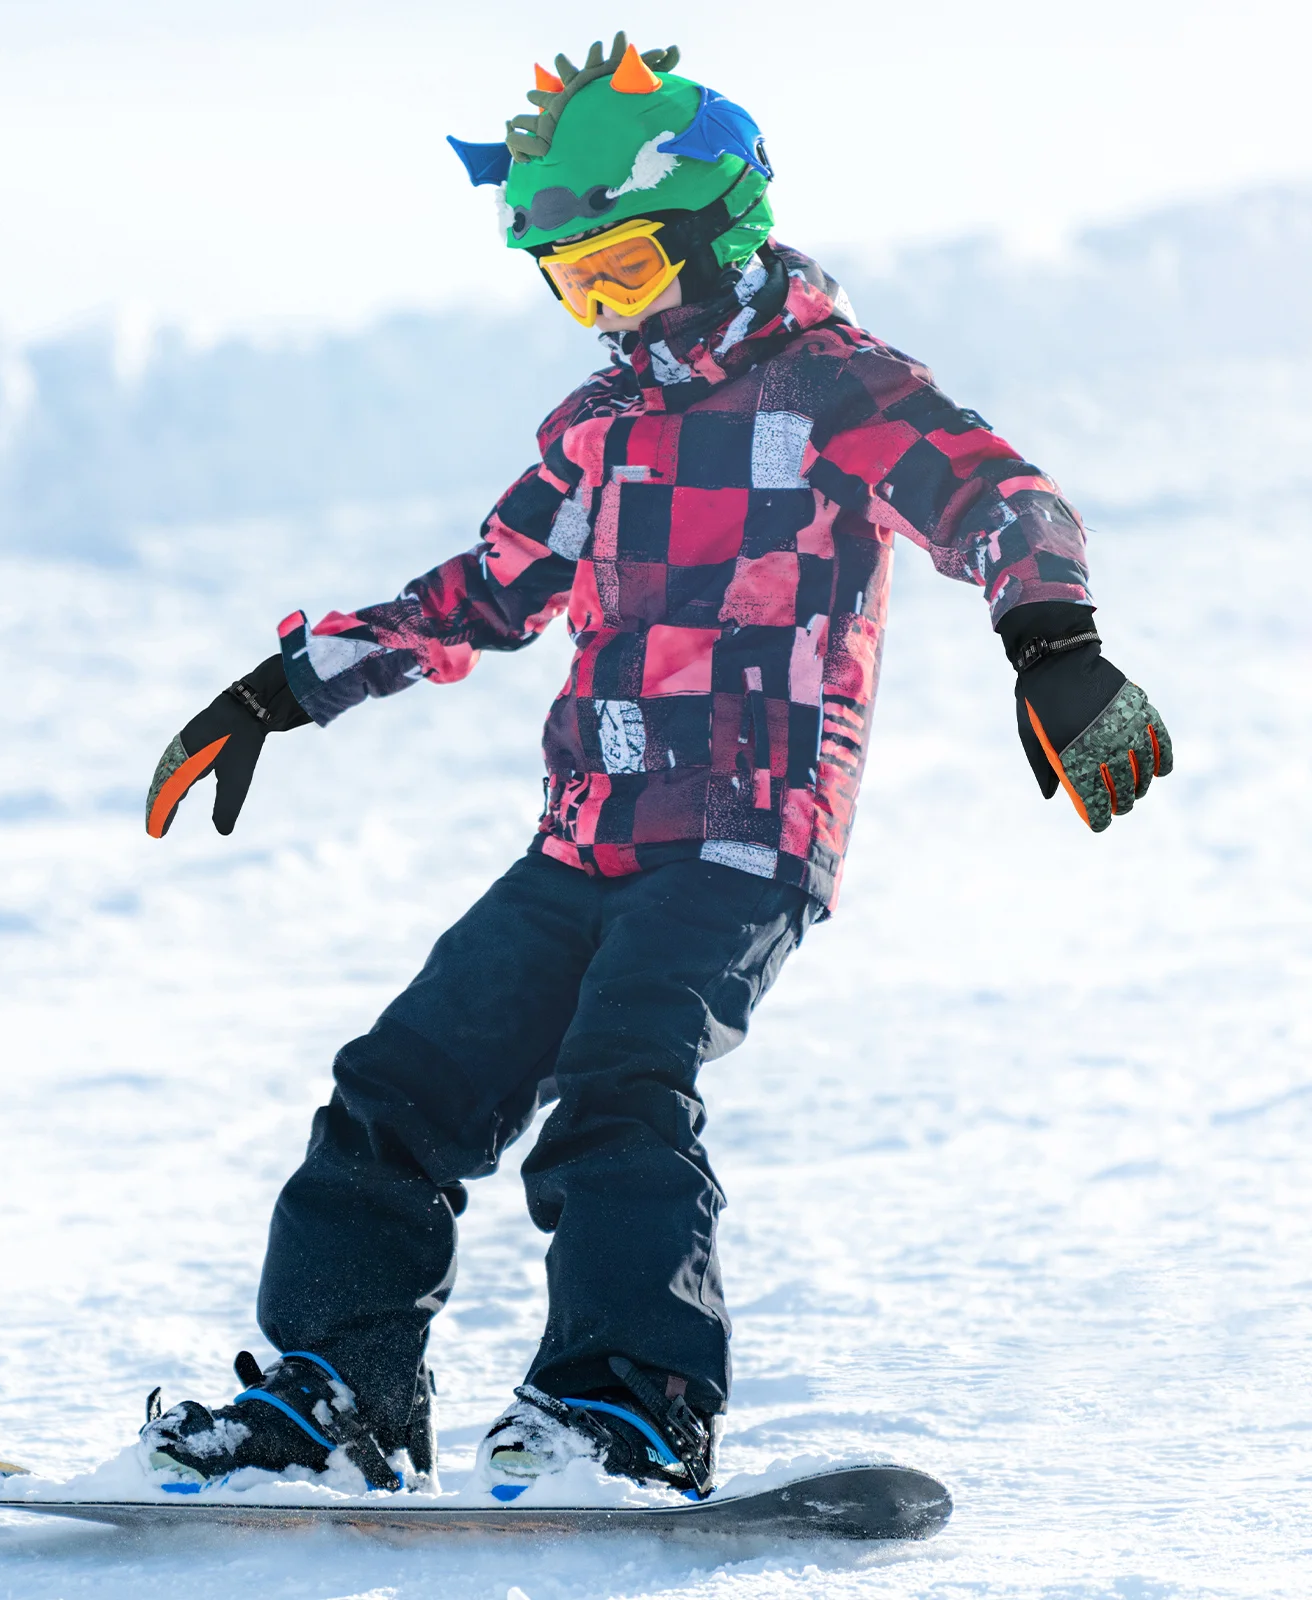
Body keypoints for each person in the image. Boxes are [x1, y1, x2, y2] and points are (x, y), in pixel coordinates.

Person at [138, 34, 1172, 1501]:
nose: (603, 311)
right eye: (572, 284)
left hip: (747, 830)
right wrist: (278, 691)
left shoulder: (837, 387)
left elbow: (997, 497)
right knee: (400, 1084)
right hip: (588, 830)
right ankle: (338, 1393)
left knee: (623, 1080)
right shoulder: (600, 427)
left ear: (719, 230)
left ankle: (624, 1408)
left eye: (622, 271)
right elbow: (480, 594)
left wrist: (1056, 644)